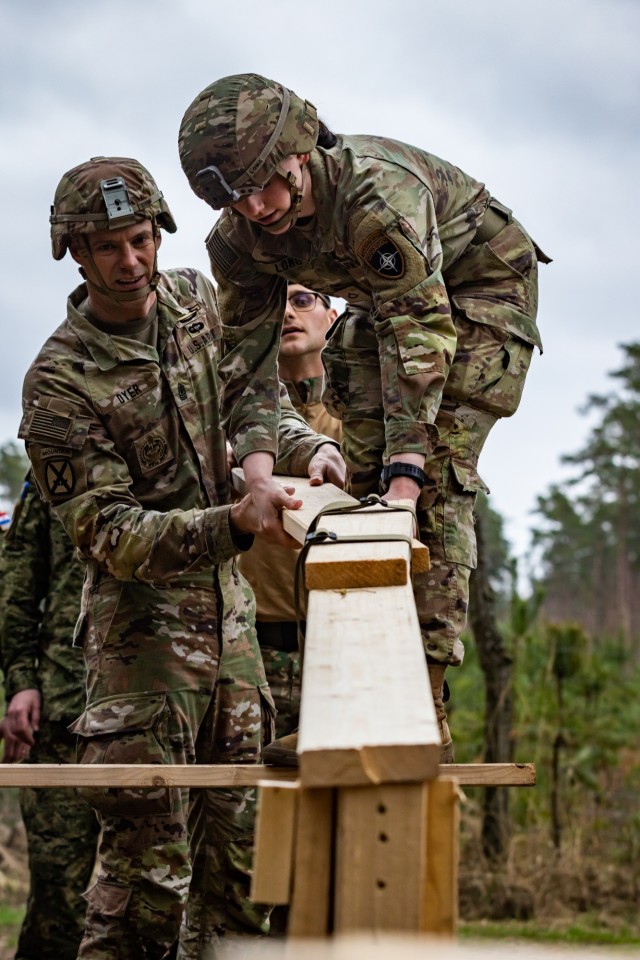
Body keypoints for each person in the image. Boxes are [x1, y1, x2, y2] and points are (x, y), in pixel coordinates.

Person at [18, 155, 344, 959]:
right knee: (145, 884)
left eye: (138, 240)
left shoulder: (198, 300)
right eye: (107, 248)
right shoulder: (58, 384)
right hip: (142, 659)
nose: (129, 262)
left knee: (238, 867)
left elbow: (248, 390)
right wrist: (234, 521)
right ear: (74, 253)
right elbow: (110, 533)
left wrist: (301, 452)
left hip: (233, 640)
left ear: (157, 233)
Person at [178, 73, 550, 764]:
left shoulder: (377, 193)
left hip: (478, 298)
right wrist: (257, 475)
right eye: (235, 197)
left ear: (299, 151)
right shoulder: (238, 243)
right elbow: (246, 363)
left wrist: (408, 483)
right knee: (361, 488)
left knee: (428, 477)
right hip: (383, 313)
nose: (256, 207)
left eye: (266, 184)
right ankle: (351, 705)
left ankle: (424, 710)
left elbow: (422, 335)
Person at [237, 283, 342, 764]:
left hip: (338, 649)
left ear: (332, 315)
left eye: (303, 300)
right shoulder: (232, 418)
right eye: (274, 301)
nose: (287, 313)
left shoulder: (360, 421)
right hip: (247, 650)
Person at [0, 474, 100, 960]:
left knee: (156, 897)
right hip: (64, 708)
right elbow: (17, 578)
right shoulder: (54, 462)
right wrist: (20, 679)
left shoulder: (191, 448)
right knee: (59, 898)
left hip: (164, 710)